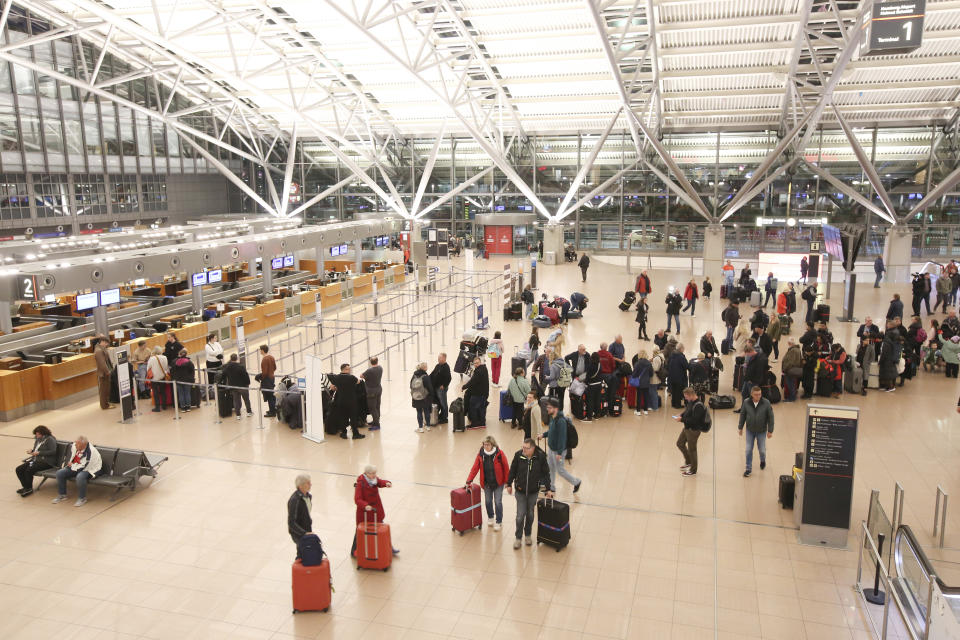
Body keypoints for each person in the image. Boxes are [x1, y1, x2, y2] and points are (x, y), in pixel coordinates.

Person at [506, 438, 553, 549]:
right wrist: (508, 484)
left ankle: (527, 534)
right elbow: (512, 470)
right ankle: (518, 537)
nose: (524, 450)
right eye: (523, 447)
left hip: (533, 492)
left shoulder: (540, 457)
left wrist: (548, 489)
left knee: (530, 515)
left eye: (526, 448)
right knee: (520, 516)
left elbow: (546, 474)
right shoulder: (518, 455)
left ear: (533, 448)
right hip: (520, 491)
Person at [466, 436, 511, 531]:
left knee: (498, 502)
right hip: (487, 483)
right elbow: (475, 468)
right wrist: (469, 480)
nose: (485, 446)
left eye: (488, 444)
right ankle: (491, 516)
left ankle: (499, 521)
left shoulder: (499, 453)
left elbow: (506, 468)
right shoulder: (481, 455)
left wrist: (508, 482)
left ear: (492, 444)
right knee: (488, 501)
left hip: (498, 483)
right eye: (484, 444)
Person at [351, 465, 397, 557]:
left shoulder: (373, 480)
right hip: (365, 513)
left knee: (382, 529)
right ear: (366, 473)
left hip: (376, 511)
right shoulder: (361, 483)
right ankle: (354, 551)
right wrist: (365, 505)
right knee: (359, 532)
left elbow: (380, 482)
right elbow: (357, 499)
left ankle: (390, 548)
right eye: (372, 473)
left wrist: (386, 483)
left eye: (375, 473)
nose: (374, 475)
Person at [541, 398, 581, 493]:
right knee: (550, 468)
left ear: (556, 408)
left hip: (558, 451)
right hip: (551, 448)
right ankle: (551, 487)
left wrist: (559, 453)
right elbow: (551, 431)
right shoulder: (552, 418)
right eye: (547, 408)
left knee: (560, 470)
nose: (548, 410)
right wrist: (543, 435)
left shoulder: (561, 421)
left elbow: (562, 438)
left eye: (550, 408)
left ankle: (576, 482)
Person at [52, 435, 102, 506]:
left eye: (78, 445)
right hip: (77, 466)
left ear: (84, 445)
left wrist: (73, 466)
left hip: (90, 468)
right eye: (76, 443)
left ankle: (82, 498)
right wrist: (71, 462)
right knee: (60, 473)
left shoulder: (91, 452)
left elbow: (86, 466)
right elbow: (75, 456)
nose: (76, 446)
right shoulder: (75, 446)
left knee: (80, 477)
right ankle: (62, 495)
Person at [737, 386, 774, 478]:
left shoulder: (766, 403)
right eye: (756, 395)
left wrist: (770, 431)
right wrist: (740, 427)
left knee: (762, 450)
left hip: (761, 431)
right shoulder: (746, 402)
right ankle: (748, 469)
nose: (758, 396)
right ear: (752, 394)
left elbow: (771, 417)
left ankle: (762, 460)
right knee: (748, 449)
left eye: (760, 394)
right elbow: (743, 415)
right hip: (750, 430)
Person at [674, 387, 708, 477]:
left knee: (692, 450)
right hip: (687, 428)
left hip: (693, 430)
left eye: (686, 397)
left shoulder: (699, 406)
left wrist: (681, 419)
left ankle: (693, 470)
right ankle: (689, 462)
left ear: (691, 395)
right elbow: (687, 411)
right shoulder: (691, 402)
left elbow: (694, 420)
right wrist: (681, 415)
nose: (685, 398)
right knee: (680, 443)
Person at [15, 425, 56, 497]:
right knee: (19, 469)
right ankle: (25, 487)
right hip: (36, 460)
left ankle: (29, 488)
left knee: (29, 470)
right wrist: (32, 451)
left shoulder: (50, 439)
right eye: (36, 434)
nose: (37, 436)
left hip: (46, 462)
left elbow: (53, 451)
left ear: (43, 433)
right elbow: (36, 449)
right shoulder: (38, 439)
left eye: (38, 434)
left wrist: (39, 453)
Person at [329, 364, 365, 439]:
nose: (350, 370)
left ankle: (344, 433)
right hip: (351, 401)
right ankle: (355, 434)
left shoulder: (336, 377)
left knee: (342, 417)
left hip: (341, 400)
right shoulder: (351, 377)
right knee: (353, 417)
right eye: (349, 369)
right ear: (345, 369)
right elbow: (358, 382)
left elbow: (331, 384)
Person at [219, 353, 253, 418]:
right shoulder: (241, 366)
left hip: (233, 386)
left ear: (230, 359)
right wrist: (248, 383)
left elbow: (223, 374)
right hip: (243, 386)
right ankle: (249, 412)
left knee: (236, 400)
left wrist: (222, 381)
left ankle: (238, 415)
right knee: (246, 399)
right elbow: (246, 376)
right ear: (237, 358)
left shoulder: (227, 367)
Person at [287, 474, 314, 554]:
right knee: (302, 553)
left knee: (306, 552)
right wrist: (304, 533)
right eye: (308, 483)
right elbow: (291, 522)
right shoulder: (295, 500)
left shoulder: (308, 496)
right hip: (298, 532)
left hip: (307, 528)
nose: (310, 485)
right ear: (300, 486)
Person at [462, 356, 490, 428]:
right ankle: (482, 423)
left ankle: (474, 424)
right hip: (484, 393)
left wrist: (464, 386)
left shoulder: (478, 371)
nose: (476, 365)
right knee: (482, 408)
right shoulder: (484, 369)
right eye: (475, 363)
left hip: (478, 393)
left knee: (472, 406)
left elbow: (472, 382)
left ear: (480, 362)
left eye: (477, 363)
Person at [410, 362, 435, 433]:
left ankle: (420, 428)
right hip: (424, 397)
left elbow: (411, 385)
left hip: (416, 397)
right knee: (426, 410)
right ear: (424, 368)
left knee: (419, 412)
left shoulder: (414, 375)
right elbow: (430, 387)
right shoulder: (425, 376)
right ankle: (428, 426)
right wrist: (431, 395)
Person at [362, 357, 383, 431]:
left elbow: (362, 376)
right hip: (378, 389)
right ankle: (376, 420)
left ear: (370, 362)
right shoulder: (380, 368)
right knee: (377, 406)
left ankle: (376, 424)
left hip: (371, 391)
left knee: (372, 408)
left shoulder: (369, 370)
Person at [146, 346, 170, 412]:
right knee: (163, 392)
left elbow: (148, 368)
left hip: (154, 378)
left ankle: (157, 407)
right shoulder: (164, 357)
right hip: (162, 377)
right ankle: (164, 406)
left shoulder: (152, 358)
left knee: (155, 392)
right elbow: (166, 368)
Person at [429, 353, 451, 425]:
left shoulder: (446, 367)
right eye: (438, 358)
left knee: (443, 403)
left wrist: (444, 385)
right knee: (439, 402)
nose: (438, 359)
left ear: (444, 358)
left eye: (440, 358)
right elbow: (432, 374)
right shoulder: (438, 366)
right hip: (436, 388)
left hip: (441, 389)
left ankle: (445, 418)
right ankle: (441, 415)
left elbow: (449, 378)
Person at [879, 323, 901, 392]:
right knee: (889, 374)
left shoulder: (886, 343)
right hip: (890, 359)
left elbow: (884, 353)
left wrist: (880, 361)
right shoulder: (890, 341)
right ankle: (887, 387)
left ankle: (890, 387)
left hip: (887, 360)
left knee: (887, 375)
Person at [631, 350, 653, 416]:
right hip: (646, 382)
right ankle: (645, 410)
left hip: (639, 382)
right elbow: (651, 374)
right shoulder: (649, 363)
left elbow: (634, 374)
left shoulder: (637, 363)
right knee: (646, 396)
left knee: (639, 397)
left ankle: (638, 411)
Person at [94, 335, 113, 410]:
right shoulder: (98, 350)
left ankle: (106, 403)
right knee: (104, 390)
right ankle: (104, 405)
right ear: (102, 342)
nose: (107, 345)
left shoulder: (101, 349)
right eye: (106, 343)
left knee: (106, 389)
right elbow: (102, 363)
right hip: (104, 373)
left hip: (105, 372)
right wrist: (107, 371)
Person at [258, 345, 277, 418]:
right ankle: (272, 409)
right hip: (272, 378)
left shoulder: (264, 359)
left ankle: (272, 412)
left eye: (260, 350)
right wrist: (271, 372)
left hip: (267, 379)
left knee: (269, 396)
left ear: (262, 350)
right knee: (271, 395)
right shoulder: (271, 357)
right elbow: (275, 367)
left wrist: (261, 377)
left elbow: (264, 372)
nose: (260, 351)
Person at [667, 343, 688, 409]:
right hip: (679, 377)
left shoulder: (672, 355)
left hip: (671, 376)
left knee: (674, 390)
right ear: (681, 349)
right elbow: (686, 366)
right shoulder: (681, 357)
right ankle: (677, 405)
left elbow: (667, 364)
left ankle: (673, 403)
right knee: (678, 391)